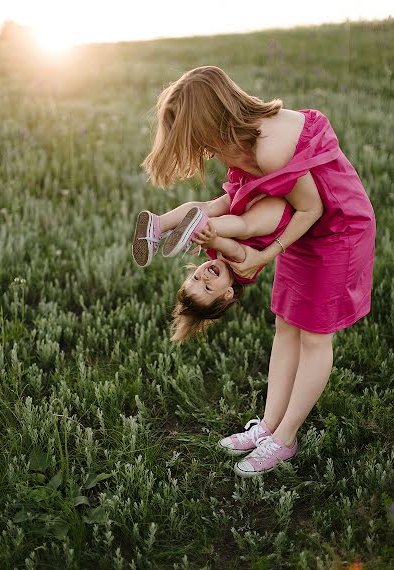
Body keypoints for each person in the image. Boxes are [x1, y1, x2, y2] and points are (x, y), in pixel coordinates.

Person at [140, 65, 377, 478]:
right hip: (303, 231)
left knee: (315, 338)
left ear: (212, 117)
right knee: (286, 326)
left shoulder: (269, 148)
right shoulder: (239, 142)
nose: (200, 149)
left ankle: (285, 439)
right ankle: (267, 426)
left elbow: (313, 207)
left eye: (195, 134)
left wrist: (266, 255)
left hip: (337, 226)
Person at [131, 194, 295, 340]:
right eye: (208, 288)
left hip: (248, 196)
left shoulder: (215, 254)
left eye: (195, 278)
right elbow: (236, 249)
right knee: (242, 226)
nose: (204, 277)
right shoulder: (243, 271)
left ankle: (159, 224)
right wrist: (213, 240)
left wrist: (209, 242)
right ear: (228, 293)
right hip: (275, 211)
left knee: (211, 207)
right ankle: (198, 227)